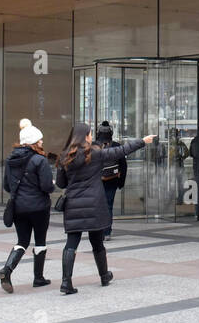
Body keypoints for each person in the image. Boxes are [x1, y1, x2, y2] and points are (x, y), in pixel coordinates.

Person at [56, 122, 154, 295]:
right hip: (94, 204)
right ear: (85, 136)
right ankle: (104, 275)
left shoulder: (65, 157)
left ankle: (66, 281)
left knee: (71, 243)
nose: (92, 136)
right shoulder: (94, 153)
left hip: (74, 205)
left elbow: (62, 183)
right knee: (97, 242)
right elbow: (121, 151)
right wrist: (142, 141)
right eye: (90, 134)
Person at [0, 119, 55, 293]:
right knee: (40, 241)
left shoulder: (10, 160)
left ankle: (6, 270)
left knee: (22, 241)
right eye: (40, 140)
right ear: (33, 142)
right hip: (39, 207)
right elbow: (47, 186)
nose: (42, 142)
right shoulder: (40, 160)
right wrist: (52, 184)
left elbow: (7, 186)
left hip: (18, 207)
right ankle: (38, 278)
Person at [94, 121, 126, 239]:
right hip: (112, 180)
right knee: (108, 206)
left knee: (97, 206)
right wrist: (121, 182)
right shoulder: (116, 145)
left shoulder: (94, 145)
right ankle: (107, 232)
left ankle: (98, 231)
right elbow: (123, 165)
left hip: (96, 180)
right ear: (111, 132)